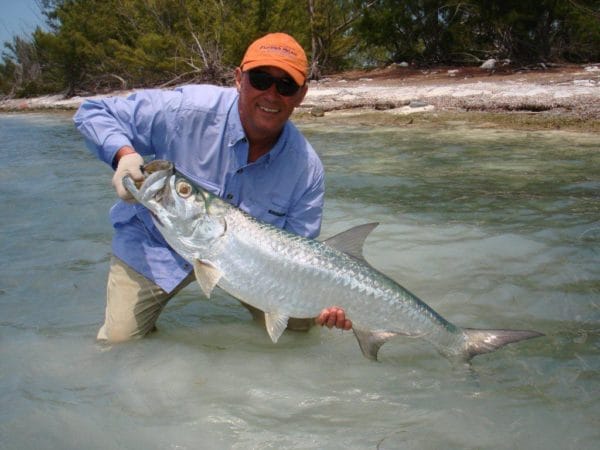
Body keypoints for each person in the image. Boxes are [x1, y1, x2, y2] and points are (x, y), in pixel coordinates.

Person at [74, 32, 352, 343]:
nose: (271, 94)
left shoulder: (307, 168)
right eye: (260, 79)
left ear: (301, 95)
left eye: (285, 85)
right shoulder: (186, 110)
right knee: (118, 344)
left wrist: (321, 300)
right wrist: (123, 156)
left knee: (298, 326)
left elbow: (298, 252)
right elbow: (93, 112)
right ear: (238, 79)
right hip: (155, 243)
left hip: (249, 264)